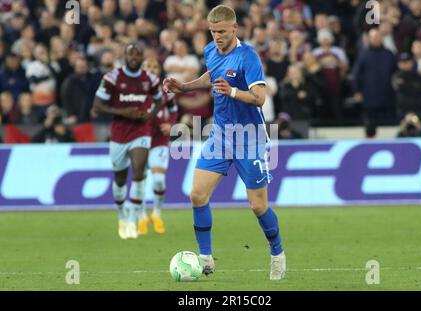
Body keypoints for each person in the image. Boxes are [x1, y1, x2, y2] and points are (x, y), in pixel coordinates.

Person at [163, 5, 286, 280]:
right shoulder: (209, 51)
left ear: (234, 28)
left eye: (221, 31)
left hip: (249, 138)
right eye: (213, 31)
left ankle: (277, 253)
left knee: (257, 206)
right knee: (197, 195)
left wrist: (232, 91)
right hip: (220, 136)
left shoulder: (248, 57)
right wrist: (184, 87)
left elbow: (260, 97)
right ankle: (205, 258)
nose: (217, 36)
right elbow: (211, 76)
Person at [93, 44, 163, 240]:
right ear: (125, 56)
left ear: (142, 57)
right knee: (120, 179)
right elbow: (97, 106)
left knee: (139, 171)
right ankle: (122, 214)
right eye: (131, 54)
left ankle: (133, 219)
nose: (134, 57)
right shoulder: (112, 78)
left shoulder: (150, 79)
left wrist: (150, 115)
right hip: (119, 134)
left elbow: (160, 100)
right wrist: (123, 112)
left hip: (141, 132)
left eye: (138, 54)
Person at [141, 57, 179, 235]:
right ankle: (141, 216)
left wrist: (171, 123)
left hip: (159, 140)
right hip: (138, 140)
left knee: (158, 180)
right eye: (148, 65)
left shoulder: (165, 91)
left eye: (154, 65)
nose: (151, 68)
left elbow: (173, 109)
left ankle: (156, 214)